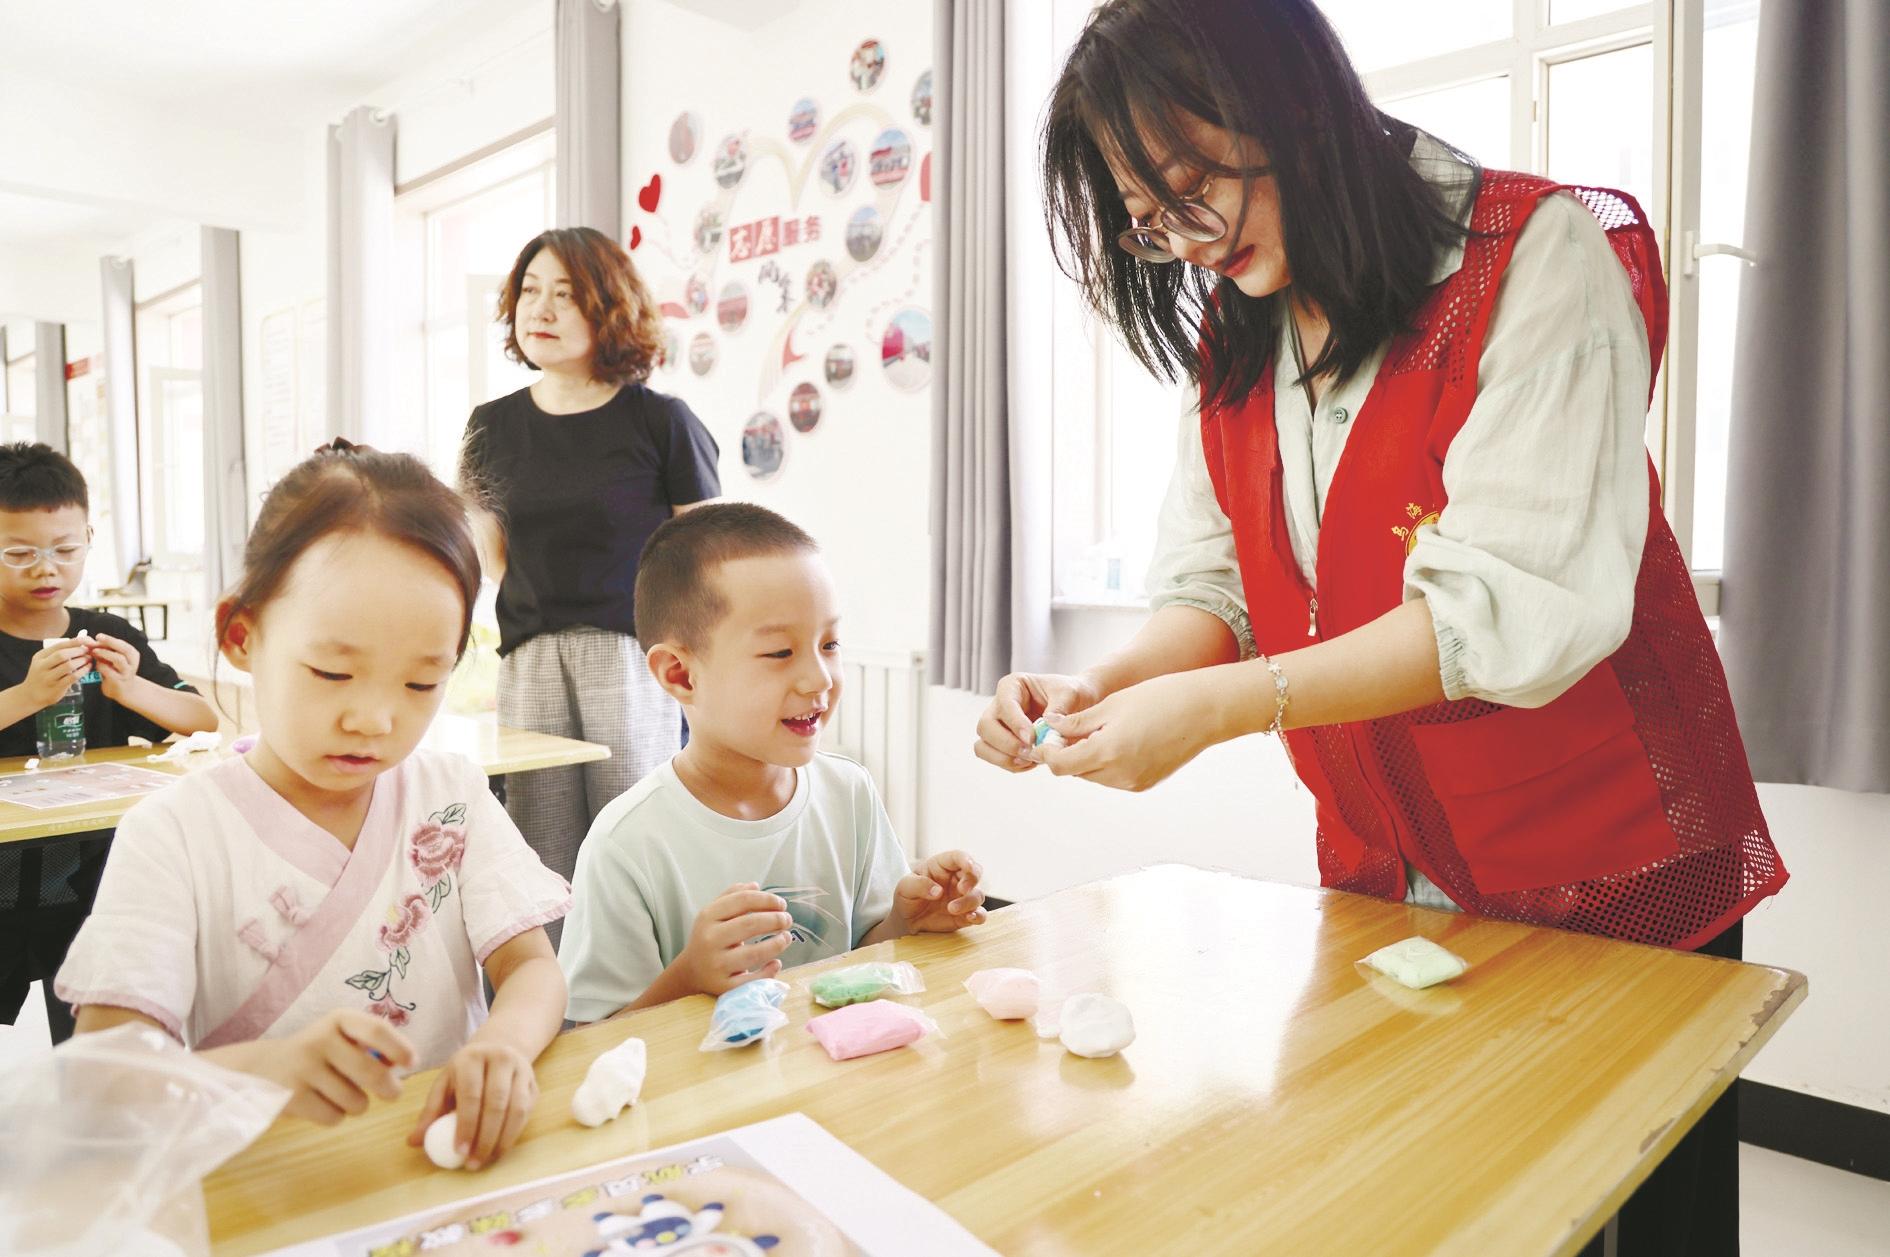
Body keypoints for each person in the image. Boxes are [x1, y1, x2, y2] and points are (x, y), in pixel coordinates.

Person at [975, 4, 1786, 1255]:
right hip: (1391, 859)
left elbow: (1506, 611)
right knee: (1427, 1198)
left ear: (1294, 102)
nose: (1186, 242)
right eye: (1148, 218)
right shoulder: (1242, 321)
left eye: (1192, 187)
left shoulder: (1537, 258)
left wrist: (1217, 709)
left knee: (1619, 1213)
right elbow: (1219, 587)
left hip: (1602, 857)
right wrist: (1110, 686)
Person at [56, 442, 569, 1171]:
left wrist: (503, 1045)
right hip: (258, 1188)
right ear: (242, 635)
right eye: (332, 672)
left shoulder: (449, 793)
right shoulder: (174, 834)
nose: (374, 719)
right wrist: (265, 1071)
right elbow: (104, 1083)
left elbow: (532, 969)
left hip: (437, 1169)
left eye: (421, 683)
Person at [560, 504, 985, 1022]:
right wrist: (688, 977)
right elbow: (594, 1039)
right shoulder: (625, 844)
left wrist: (907, 919)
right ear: (680, 674)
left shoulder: (848, 791)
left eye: (829, 644)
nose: (820, 678)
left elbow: (864, 951)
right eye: (781, 652)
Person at [460, 228, 722, 899]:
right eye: (529, 292)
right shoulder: (491, 426)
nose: (540, 310)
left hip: (633, 655)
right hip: (530, 657)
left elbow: (702, 557)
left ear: (609, 308)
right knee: (536, 847)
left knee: (636, 838)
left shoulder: (662, 422)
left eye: (566, 295)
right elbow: (493, 555)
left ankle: (648, 965)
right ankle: (548, 969)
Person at [0, 441, 217, 1043]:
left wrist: (132, 689)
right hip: (4, 880)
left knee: (91, 1041)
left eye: (66, 550)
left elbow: (202, 720)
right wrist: (26, 696)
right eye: (20, 553)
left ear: (89, 539)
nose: (47, 569)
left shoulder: (107, 634)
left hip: (90, 883)